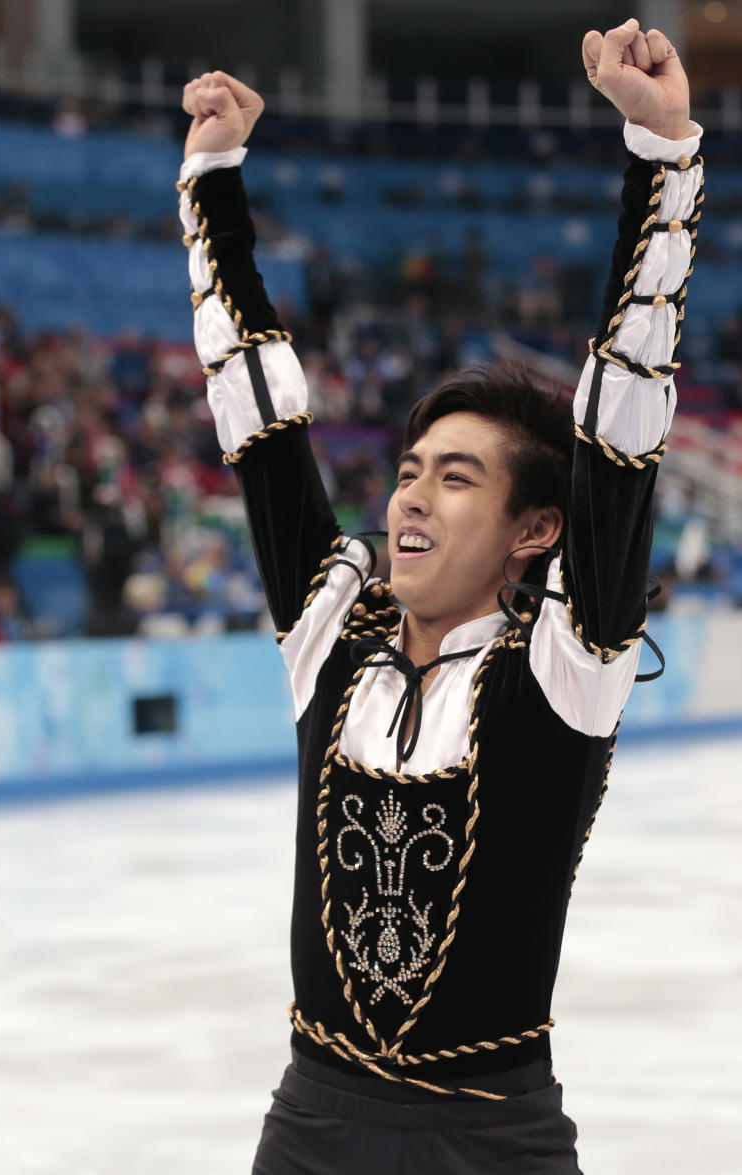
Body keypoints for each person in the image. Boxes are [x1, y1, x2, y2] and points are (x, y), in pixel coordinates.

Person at [178, 17, 702, 1174]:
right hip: (310, 1125)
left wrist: (659, 161)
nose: (411, 494)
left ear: (536, 531)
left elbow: (622, 426)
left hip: (493, 1139)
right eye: (409, 468)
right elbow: (259, 416)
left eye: (456, 476)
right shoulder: (333, 628)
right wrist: (213, 180)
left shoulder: (567, 668)